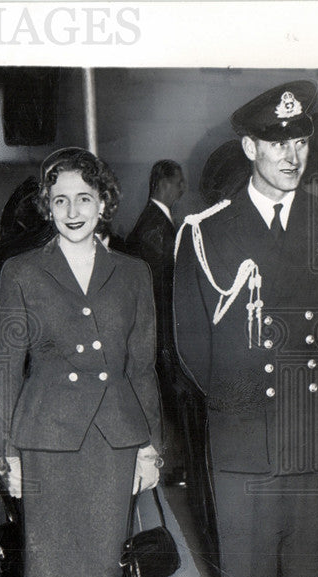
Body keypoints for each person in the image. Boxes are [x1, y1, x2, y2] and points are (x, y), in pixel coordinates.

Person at [173, 81, 318, 577]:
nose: (292, 155)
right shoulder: (206, 232)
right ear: (250, 145)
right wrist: (248, 415)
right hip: (246, 453)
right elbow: (191, 349)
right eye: (278, 142)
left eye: (302, 141)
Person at [0, 147, 162, 577]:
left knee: (100, 569)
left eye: (84, 199)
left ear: (103, 203)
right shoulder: (21, 272)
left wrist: (151, 447)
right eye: (61, 200)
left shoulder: (133, 274)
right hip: (46, 440)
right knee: (56, 575)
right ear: (47, 205)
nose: (72, 211)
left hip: (114, 439)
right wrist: (10, 455)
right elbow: (6, 369)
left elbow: (142, 369)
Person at [124, 161, 194, 486]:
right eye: (179, 182)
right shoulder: (155, 229)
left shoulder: (156, 224)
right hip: (162, 337)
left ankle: (174, 464)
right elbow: (162, 295)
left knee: (169, 401)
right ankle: (171, 467)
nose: (183, 189)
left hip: (162, 336)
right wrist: (170, 343)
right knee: (168, 401)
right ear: (163, 184)